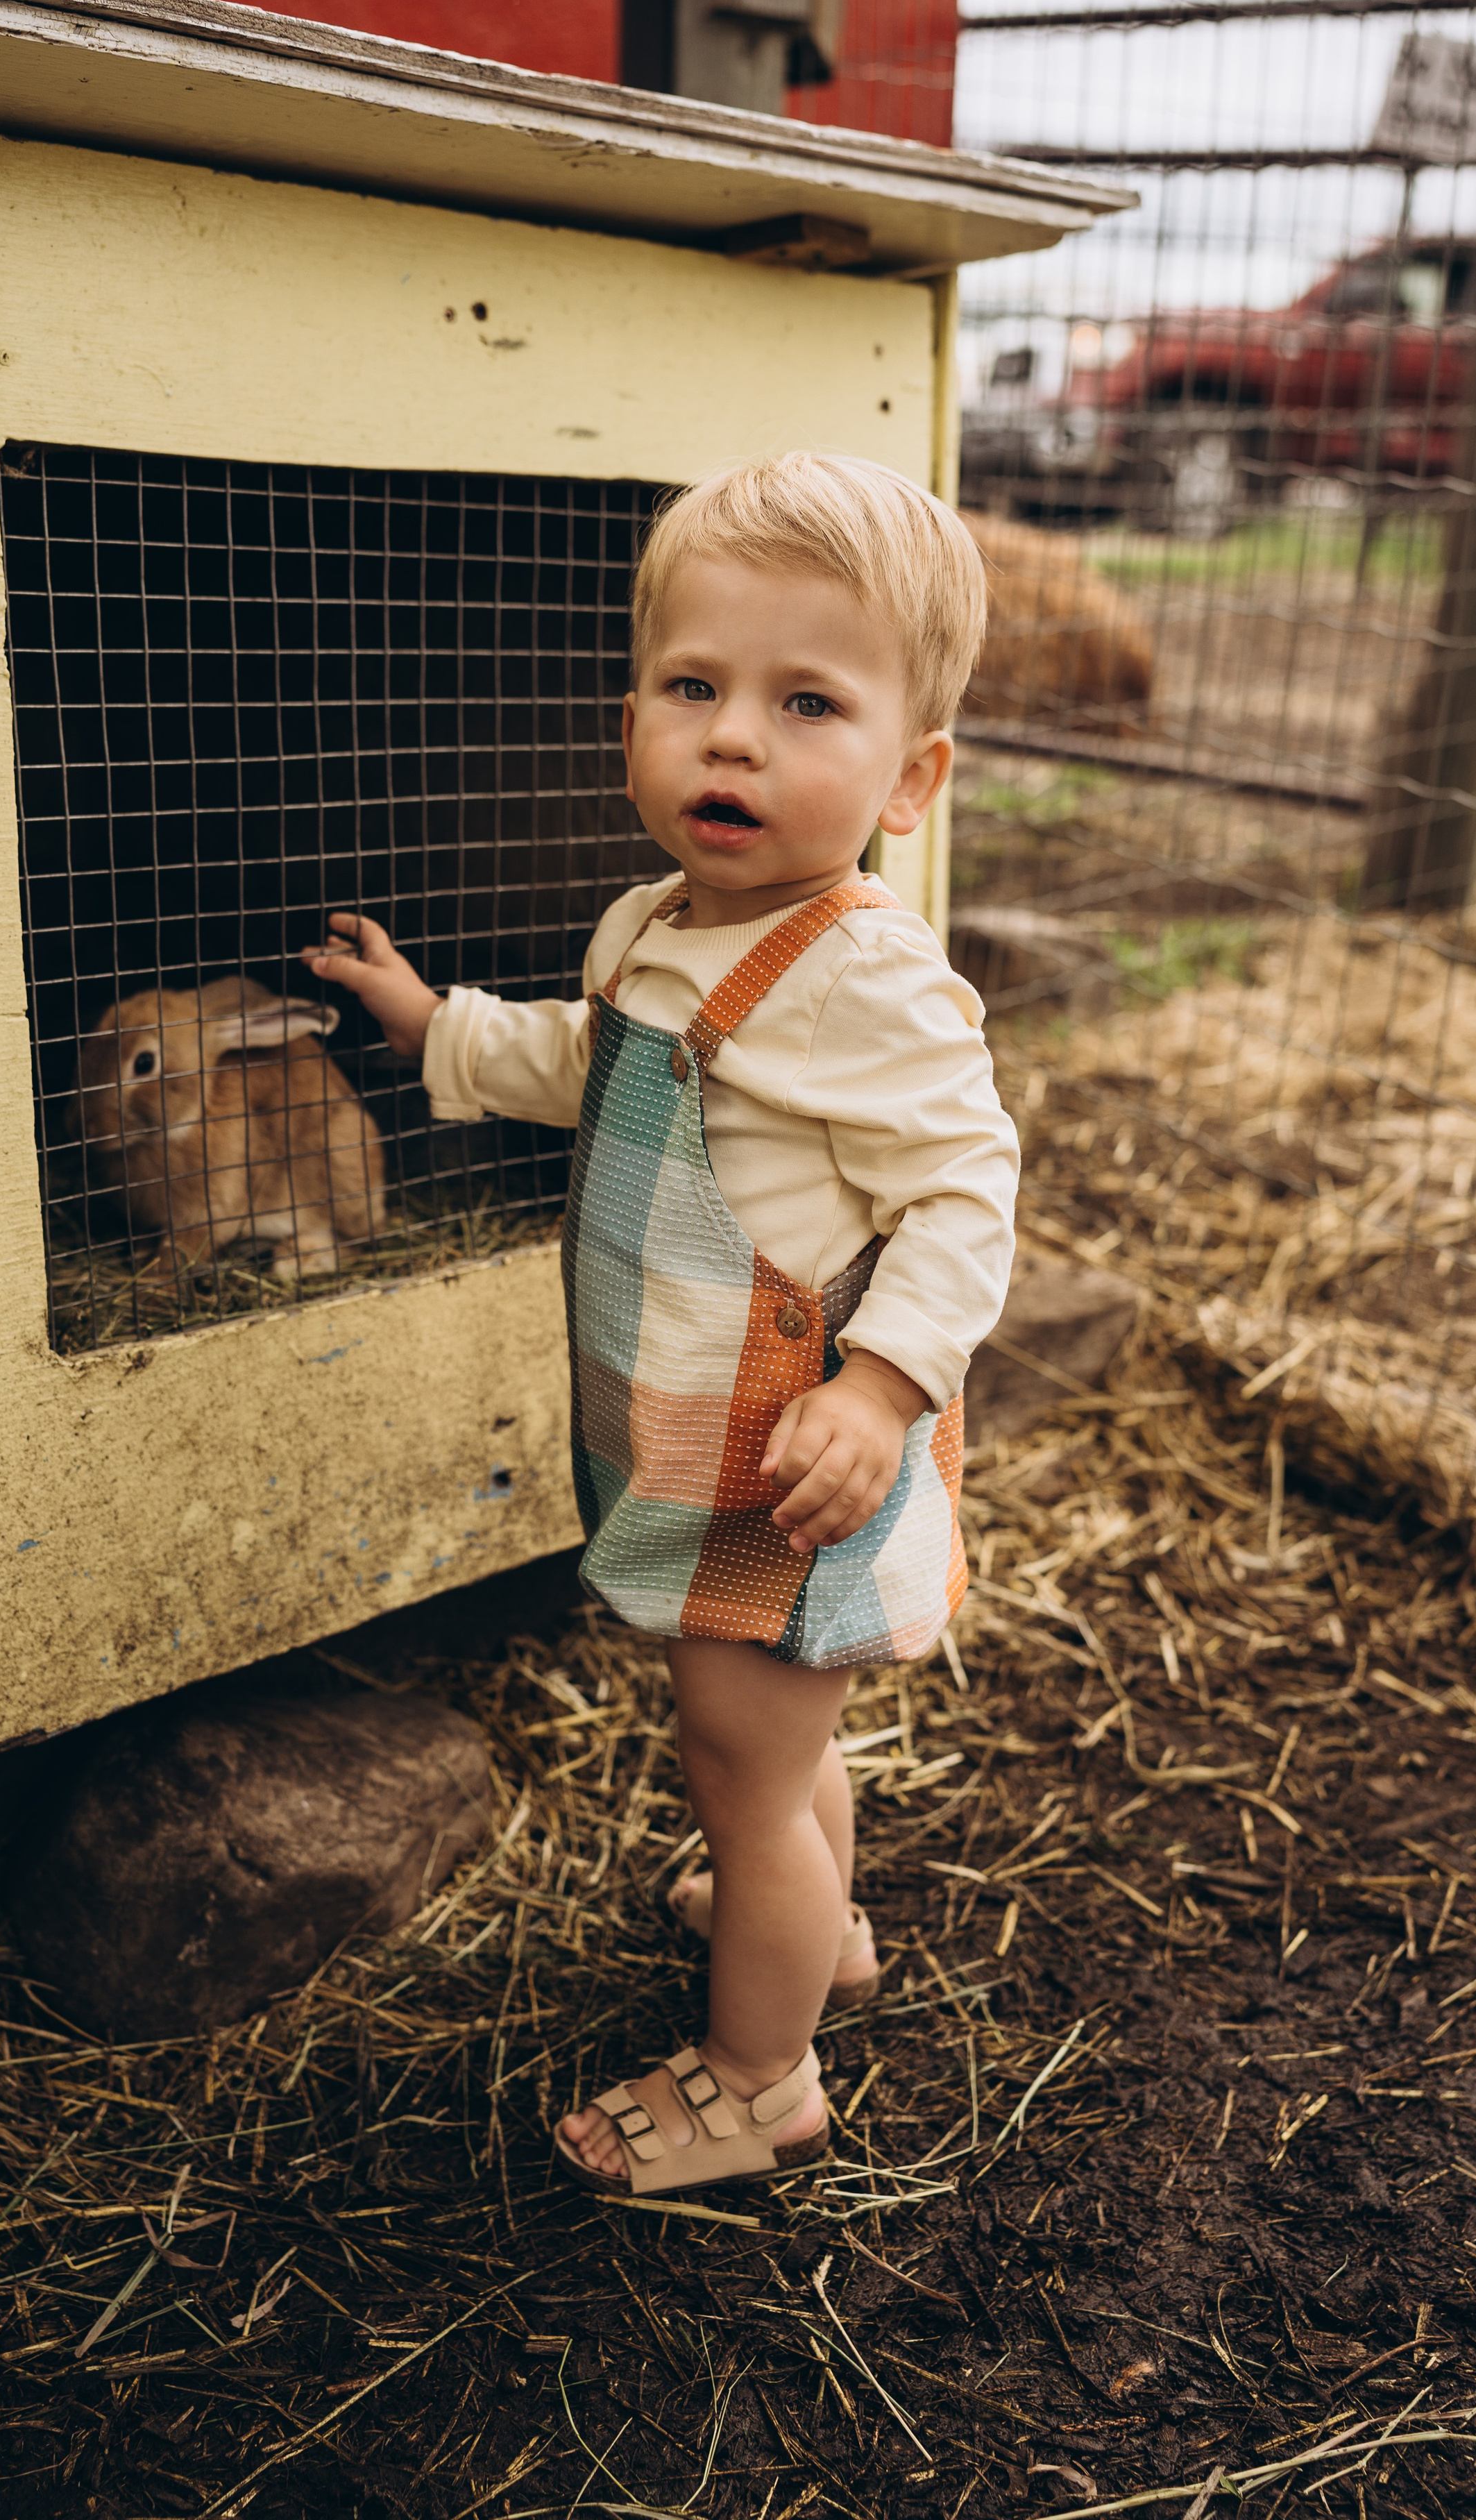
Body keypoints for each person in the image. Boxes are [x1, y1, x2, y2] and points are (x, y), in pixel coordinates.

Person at [303, 452, 1017, 2197]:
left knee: (741, 1762)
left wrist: (881, 1378)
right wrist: (430, 1025)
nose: (731, 739)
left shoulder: (865, 976)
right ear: (632, 710)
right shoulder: (655, 928)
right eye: (692, 687)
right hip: (696, 1449)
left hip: (788, 1472)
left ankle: (756, 2076)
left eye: (804, 703)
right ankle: (808, 1916)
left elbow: (964, 1194)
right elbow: (583, 1060)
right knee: (773, 1755)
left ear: (908, 776)